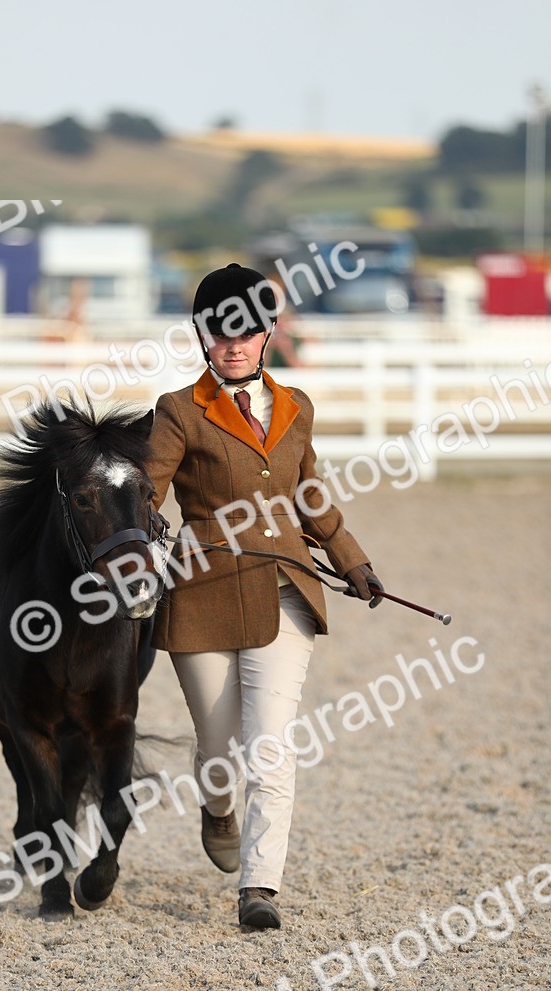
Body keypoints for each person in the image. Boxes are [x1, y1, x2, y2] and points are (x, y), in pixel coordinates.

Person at [147, 263, 383, 930]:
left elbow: (311, 497)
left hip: (285, 591)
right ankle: (216, 806)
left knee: (271, 749)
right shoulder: (176, 411)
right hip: (200, 594)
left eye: (246, 331)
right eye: (220, 332)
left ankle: (261, 889)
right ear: (202, 337)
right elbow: (147, 488)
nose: (233, 344)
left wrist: (354, 562)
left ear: (268, 332)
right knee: (219, 751)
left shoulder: (297, 407)